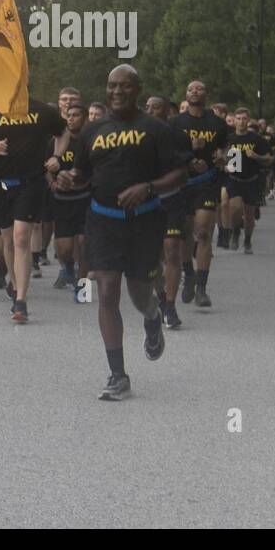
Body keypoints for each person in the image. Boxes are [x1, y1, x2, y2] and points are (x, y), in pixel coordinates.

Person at [56, 64, 187, 401]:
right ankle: (118, 374)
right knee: (107, 289)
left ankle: (153, 316)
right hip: (102, 221)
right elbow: (84, 173)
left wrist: (148, 187)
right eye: (112, 86)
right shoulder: (92, 131)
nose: (117, 92)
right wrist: (72, 178)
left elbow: (179, 174)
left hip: (144, 221)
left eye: (125, 86)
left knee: (140, 293)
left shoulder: (156, 129)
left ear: (137, 89)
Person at [0, 99, 70, 323]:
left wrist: (57, 156)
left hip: (30, 183)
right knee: (8, 241)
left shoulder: (42, 110)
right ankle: (14, 286)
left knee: (21, 236)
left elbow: (64, 132)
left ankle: (22, 301)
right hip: (0, 185)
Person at [170, 80, 227, 307]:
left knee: (203, 232)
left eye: (199, 88)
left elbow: (228, 150)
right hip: (183, 183)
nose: (194, 91)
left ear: (206, 94)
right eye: (191, 89)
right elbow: (169, 151)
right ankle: (188, 274)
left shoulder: (217, 123)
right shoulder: (175, 123)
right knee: (184, 233)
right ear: (186, 94)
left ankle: (202, 288)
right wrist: (189, 155)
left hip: (206, 182)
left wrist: (224, 158)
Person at [145, 96, 191, 328]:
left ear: (167, 111)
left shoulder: (178, 137)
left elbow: (185, 169)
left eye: (156, 107)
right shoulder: (137, 135)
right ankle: (162, 299)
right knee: (152, 259)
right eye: (148, 107)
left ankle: (171, 306)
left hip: (171, 199)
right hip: (145, 203)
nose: (151, 110)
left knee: (172, 251)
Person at [48, 102, 90, 297]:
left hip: (85, 199)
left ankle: (83, 289)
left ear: (85, 118)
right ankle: (68, 268)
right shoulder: (55, 142)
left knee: (84, 243)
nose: (71, 118)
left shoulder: (90, 140)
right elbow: (45, 169)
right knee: (64, 250)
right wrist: (53, 183)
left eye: (76, 115)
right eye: (68, 115)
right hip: (62, 200)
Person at [225, 108, 272, 254]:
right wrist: (225, 165)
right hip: (235, 179)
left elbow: (269, 159)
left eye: (244, 118)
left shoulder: (256, 139)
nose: (241, 121)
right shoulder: (229, 138)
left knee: (249, 215)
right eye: (238, 118)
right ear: (234, 121)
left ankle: (247, 240)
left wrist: (256, 156)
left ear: (249, 120)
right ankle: (235, 232)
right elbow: (222, 157)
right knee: (235, 208)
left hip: (252, 180)